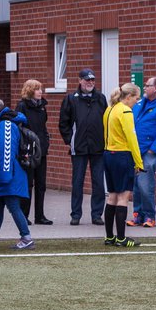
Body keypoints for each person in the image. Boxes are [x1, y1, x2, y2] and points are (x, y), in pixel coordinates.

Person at [0, 98, 35, 250]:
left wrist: (4, 175)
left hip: (8, 175)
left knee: (13, 206)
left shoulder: (6, 125)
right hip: (2, 174)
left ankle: (26, 237)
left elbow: (6, 152)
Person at [58, 68, 108, 226]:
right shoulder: (71, 99)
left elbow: (106, 120)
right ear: (80, 81)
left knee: (99, 182)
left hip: (98, 147)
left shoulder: (100, 98)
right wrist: (70, 140)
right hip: (78, 148)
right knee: (77, 182)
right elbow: (63, 123)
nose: (90, 83)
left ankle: (97, 214)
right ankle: (76, 214)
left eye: (92, 80)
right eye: (87, 80)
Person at [102, 83, 144, 247]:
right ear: (128, 97)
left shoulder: (110, 109)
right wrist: (138, 161)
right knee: (123, 197)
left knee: (112, 196)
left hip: (108, 155)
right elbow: (131, 138)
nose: (136, 101)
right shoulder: (125, 111)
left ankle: (109, 236)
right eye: (136, 97)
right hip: (122, 156)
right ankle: (121, 238)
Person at [129, 77, 156, 229]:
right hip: (136, 150)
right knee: (136, 185)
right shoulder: (141, 103)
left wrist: (154, 149)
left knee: (145, 185)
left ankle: (149, 215)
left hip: (149, 151)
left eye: (148, 85)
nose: (144, 88)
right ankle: (137, 215)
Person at [16, 79, 53, 225]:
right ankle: (24, 216)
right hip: (28, 150)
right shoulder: (22, 106)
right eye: (37, 89)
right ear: (30, 90)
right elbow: (19, 128)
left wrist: (45, 142)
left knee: (41, 184)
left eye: (41, 89)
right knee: (28, 184)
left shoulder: (42, 106)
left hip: (41, 149)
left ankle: (40, 215)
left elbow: (43, 127)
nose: (40, 92)